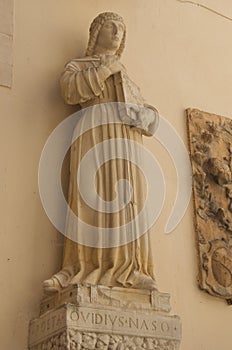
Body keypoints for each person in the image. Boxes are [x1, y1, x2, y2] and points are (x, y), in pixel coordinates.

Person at [43, 12, 159, 294]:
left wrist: (146, 116)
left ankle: (128, 269)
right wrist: (104, 70)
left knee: (126, 202)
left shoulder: (127, 78)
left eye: (121, 28)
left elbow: (148, 118)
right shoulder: (78, 66)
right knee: (89, 199)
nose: (117, 31)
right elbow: (70, 91)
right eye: (111, 26)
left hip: (125, 143)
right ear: (96, 32)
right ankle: (79, 267)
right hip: (93, 133)